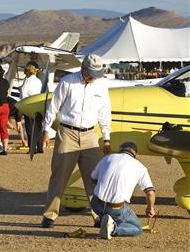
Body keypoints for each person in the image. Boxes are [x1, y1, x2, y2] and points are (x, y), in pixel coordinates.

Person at [40, 54, 111, 228]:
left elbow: (105, 112)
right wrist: (46, 130)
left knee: (94, 178)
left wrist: (107, 138)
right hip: (67, 133)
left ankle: (98, 216)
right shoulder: (67, 82)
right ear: (83, 68)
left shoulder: (102, 85)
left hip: (90, 135)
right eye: (91, 73)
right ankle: (50, 215)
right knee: (59, 175)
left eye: (97, 73)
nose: (94, 77)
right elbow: (53, 106)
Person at [91, 141, 156, 240]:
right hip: (115, 209)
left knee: (106, 207)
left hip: (95, 205)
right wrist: (150, 208)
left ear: (120, 150)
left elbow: (92, 178)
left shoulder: (107, 158)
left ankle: (105, 218)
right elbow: (150, 193)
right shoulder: (140, 167)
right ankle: (113, 229)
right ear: (136, 153)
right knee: (137, 229)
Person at [20, 61, 43, 153]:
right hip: (38, 104)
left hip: (29, 105)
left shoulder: (27, 81)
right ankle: (40, 146)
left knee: (30, 127)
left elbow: (24, 94)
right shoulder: (38, 81)